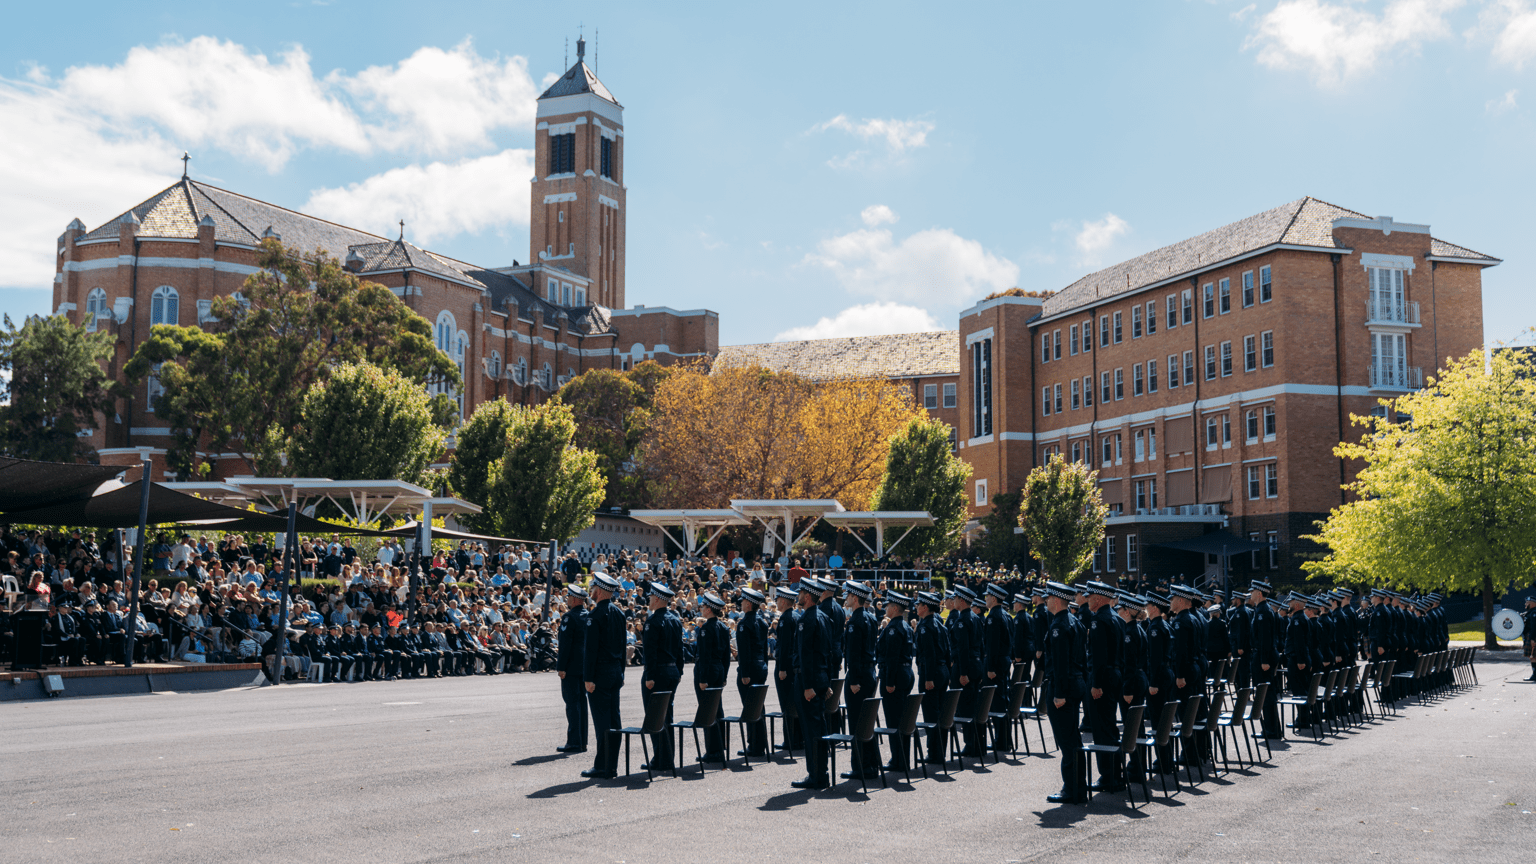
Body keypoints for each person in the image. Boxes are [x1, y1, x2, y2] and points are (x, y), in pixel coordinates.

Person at [1042, 581, 1088, 804]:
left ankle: (1072, 788)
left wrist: (1059, 694)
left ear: (1057, 600)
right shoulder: (1074, 621)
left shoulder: (1059, 625)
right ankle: (1079, 786)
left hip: (1064, 686)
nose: (1046, 601)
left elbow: (1060, 663)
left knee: (1067, 741)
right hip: (1076, 683)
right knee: (1073, 738)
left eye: (1049, 598)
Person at [582, 573, 626, 780]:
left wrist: (588, 678)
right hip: (615, 671)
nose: (591, 592)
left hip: (599, 673)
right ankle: (612, 765)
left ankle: (602, 766)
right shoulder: (619, 613)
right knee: (614, 721)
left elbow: (590, 650)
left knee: (602, 723)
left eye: (592, 589)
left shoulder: (594, 615)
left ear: (598, 591)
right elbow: (622, 646)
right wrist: (621, 672)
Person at [790, 578, 833, 790]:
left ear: (807, 597)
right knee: (819, 726)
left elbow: (805, 656)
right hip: (822, 678)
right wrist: (828, 680)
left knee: (811, 730)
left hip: (809, 681)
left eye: (800, 594)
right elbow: (831, 652)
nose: (797, 597)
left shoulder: (806, 619)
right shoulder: (825, 618)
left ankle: (816, 775)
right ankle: (820, 772)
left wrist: (807, 686)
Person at [1083, 581, 1125, 791]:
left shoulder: (1098, 620)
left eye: (1089, 597)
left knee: (1101, 728)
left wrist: (1096, 684)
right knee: (1110, 726)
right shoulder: (1117, 618)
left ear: (1098, 599)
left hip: (1102, 677)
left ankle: (1108, 776)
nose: (1087, 599)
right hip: (1115, 674)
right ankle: (1115, 774)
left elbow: (1098, 655)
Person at [640, 583, 684, 772]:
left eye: (651, 597)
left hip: (657, 673)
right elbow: (680, 650)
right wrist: (679, 671)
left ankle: (661, 758)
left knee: (656, 717)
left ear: (657, 599)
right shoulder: (675, 619)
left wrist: (649, 676)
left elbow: (650, 653)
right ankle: (667, 757)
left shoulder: (652, 621)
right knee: (668, 715)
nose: (649, 600)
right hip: (672, 671)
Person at [840, 580, 881, 779]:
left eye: (848, 595)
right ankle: (872, 763)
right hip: (869, 673)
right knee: (867, 721)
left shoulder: (856, 620)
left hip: (858, 676)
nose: (846, 598)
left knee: (857, 721)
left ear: (855, 598)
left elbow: (853, 654)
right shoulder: (871, 618)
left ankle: (860, 767)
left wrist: (854, 680)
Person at [877, 590, 915, 772]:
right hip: (906, 673)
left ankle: (898, 760)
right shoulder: (906, 626)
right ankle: (902, 758)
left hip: (895, 676)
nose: (885, 608)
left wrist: (889, 682)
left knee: (894, 720)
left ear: (894, 608)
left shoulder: (892, 628)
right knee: (902, 719)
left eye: (887, 606)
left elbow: (891, 657)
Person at [912, 590, 951, 765]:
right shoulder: (939, 624)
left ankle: (934, 753)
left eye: (918, 604)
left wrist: (928, 678)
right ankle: (940, 751)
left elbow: (928, 655)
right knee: (941, 714)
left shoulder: (925, 627)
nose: (916, 607)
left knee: (931, 715)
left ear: (925, 607)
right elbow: (948, 651)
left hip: (931, 674)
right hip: (942, 672)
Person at [693, 592, 732, 763]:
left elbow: (705, 656)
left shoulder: (705, 629)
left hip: (708, 672)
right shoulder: (723, 627)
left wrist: (702, 679)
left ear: (709, 609)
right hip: (719, 670)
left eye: (703, 607)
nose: (701, 609)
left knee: (708, 711)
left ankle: (713, 750)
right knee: (718, 709)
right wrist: (724, 675)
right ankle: (719, 747)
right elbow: (726, 655)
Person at [734, 587, 771, 758]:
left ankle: (754, 746)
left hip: (749, 668)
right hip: (761, 666)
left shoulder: (743, 624)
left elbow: (744, 652)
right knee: (759, 707)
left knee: (750, 708)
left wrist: (745, 674)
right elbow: (764, 649)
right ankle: (760, 744)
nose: (741, 604)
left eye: (743, 601)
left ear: (748, 604)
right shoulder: (763, 622)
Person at [555, 585, 590, 754]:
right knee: (582, 703)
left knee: (572, 704)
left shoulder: (569, 617)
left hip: (570, 667)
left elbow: (565, 644)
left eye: (569, 596)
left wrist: (561, 667)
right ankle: (582, 740)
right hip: (584, 666)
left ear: (575, 599)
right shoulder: (588, 616)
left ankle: (574, 741)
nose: (567, 599)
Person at [981, 583, 1014, 753]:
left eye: (987, 596)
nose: (985, 599)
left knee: (997, 703)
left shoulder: (993, 616)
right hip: (1004, 661)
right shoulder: (1006, 615)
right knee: (1002, 700)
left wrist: (991, 667)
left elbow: (992, 645)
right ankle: (1004, 739)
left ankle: (1001, 741)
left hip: (995, 663)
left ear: (993, 598)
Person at [771, 586, 802, 752]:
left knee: (786, 704)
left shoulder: (784, 619)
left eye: (777, 600)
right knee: (795, 703)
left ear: (783, 601)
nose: (776, 603)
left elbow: (783, 646)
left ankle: (790, 740)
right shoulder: (797, 616)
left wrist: (782, 668)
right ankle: (797, 738)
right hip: (795, 665)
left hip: (786, 666)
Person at [1524, 596, 1536, 682]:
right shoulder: (1530, 612)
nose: (1525, 604)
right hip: (1530, 636)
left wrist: (1532, 639)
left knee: (1533, 656)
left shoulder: (1534, 613)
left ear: (1532, 604)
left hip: (1533, 637)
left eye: (1527, 603)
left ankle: (1534, 675)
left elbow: (1534, 627)